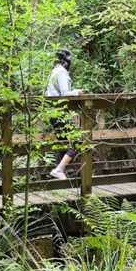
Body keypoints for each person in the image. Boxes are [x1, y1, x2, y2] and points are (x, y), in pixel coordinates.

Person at [45, 49, 83, 180]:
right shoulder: (61, 72)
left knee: (63, 142)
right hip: (59, 112)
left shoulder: (54, 71)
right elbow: (65, 93)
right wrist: (77, 92)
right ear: (66, 62)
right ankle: (59, 169)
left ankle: (58, 174)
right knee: (77, 141)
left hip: (53, 112)